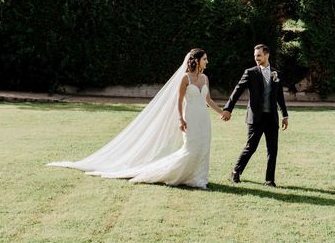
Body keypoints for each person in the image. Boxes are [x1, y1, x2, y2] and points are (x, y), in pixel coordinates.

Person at [48, 49, 223, 189]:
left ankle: (199, 179)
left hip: (203, 119)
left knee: (203, 147)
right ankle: (172, 173)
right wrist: (180, 119)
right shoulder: (185, 79)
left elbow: (208, 100)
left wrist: (221, 112)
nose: (207, 62)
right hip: (190, 117)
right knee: (191, 148)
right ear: (196, 60)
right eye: (205, 59)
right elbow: (178, 101)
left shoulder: (205, 78)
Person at [221, 44, 289, 187]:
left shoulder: (276, 73)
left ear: (267, 55)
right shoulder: (250, 72)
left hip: (271, 117)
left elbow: (279, 96)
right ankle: (236, 171)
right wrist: (228, 108)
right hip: (256, 117)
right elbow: (237, 90)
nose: (256, 58)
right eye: (255, 56)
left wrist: (284, 115)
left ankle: (269, 180)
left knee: (273, 149)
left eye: (259, 55)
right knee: (251, 147)